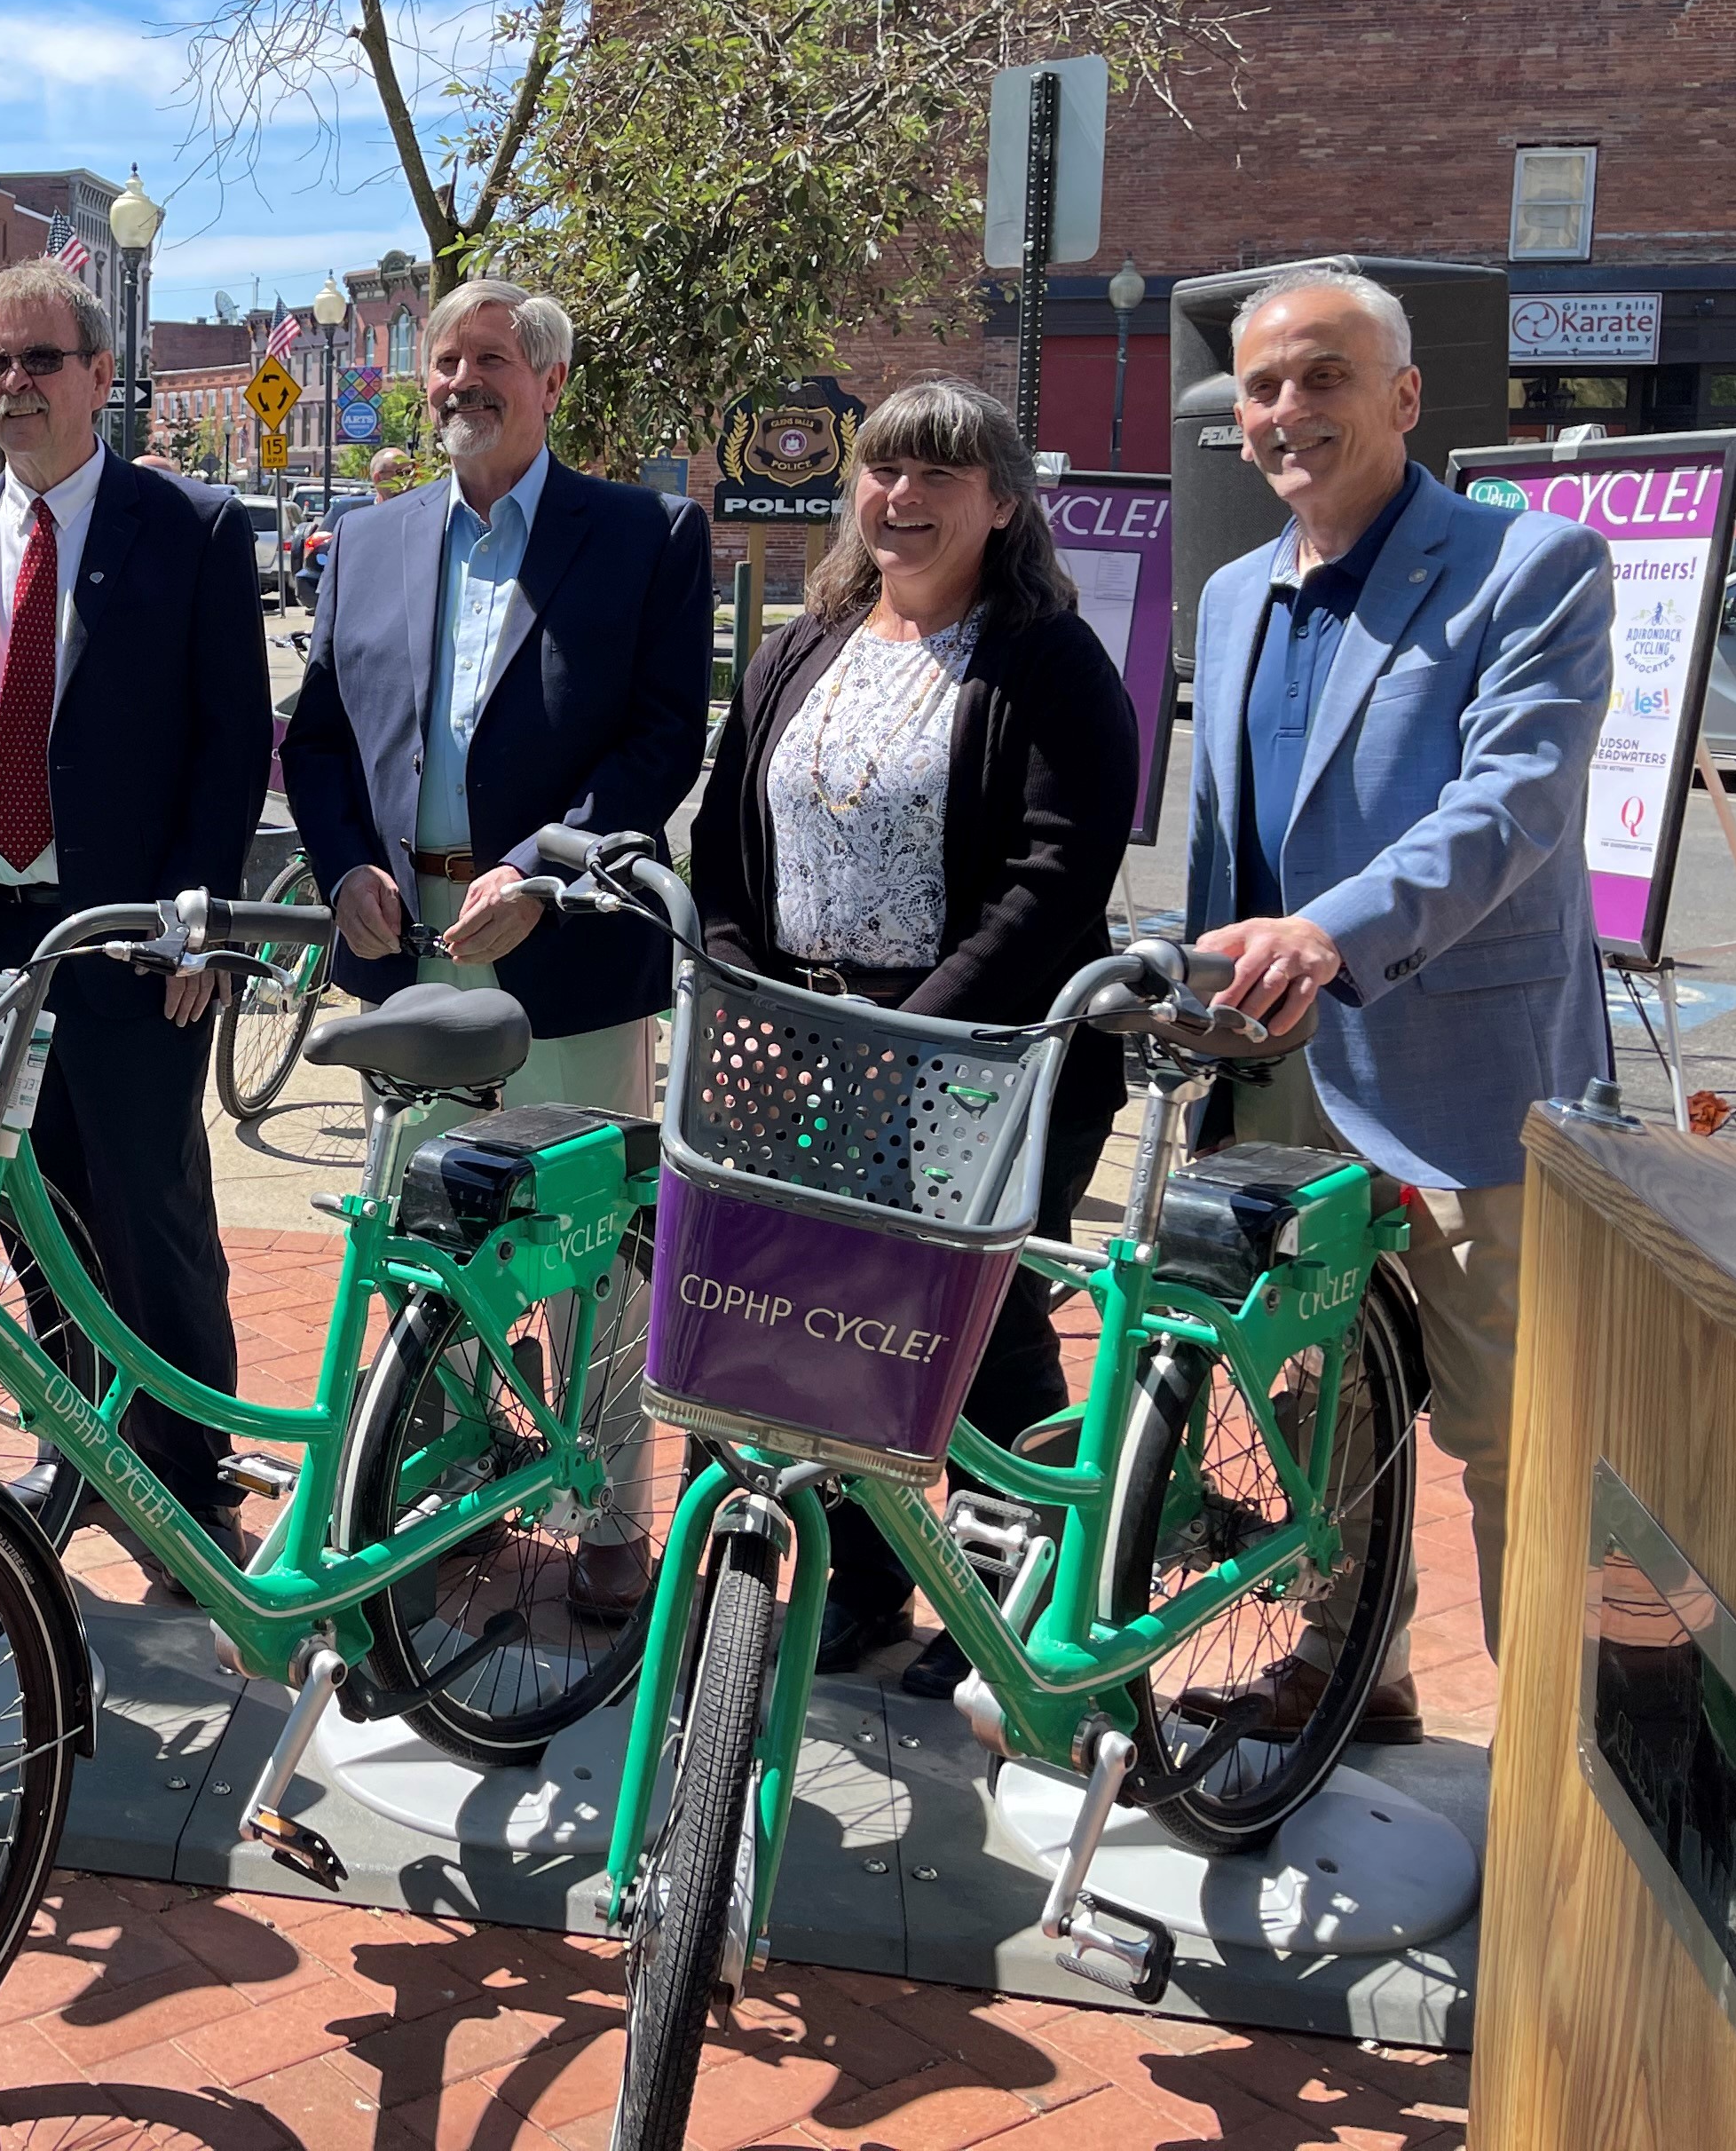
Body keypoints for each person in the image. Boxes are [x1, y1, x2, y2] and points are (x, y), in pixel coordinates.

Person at [1184, 259, 1613, 1738]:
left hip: (1467, 1073)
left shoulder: (1530, 566)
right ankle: (1349, 1655)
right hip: (1283, 1070)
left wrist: (1324, 932)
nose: (1288, 408)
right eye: (1261, 385)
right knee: (1326, 1386)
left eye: (1322, 375)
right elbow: (1223, 836)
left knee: (1505, 1425)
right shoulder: (1237, 590)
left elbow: (1513, 805)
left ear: (1403, 396)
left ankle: (1553, 1757)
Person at [690, 378, 1137, 1686]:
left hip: (984, 1052)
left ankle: (1006, 1602)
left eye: (940, 475)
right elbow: (725, 837)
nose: (903, 497)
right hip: (793, 1034)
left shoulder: (1048, 658)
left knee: (979, 1329)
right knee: (824, 1319)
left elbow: (1054, 882)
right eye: (883, 471)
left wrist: (910, 1040)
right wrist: (736, 987)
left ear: (1002, 504)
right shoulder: (807, 638)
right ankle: (865, 1580)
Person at [281, 280, 712, 1623]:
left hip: (566, 948)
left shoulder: (644, 535)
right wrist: (349, 855)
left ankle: (607, 1517)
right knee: (427, 1235)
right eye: (445, 363)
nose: (459, 381)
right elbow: (321, 736)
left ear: (550, 384)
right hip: (409, 947)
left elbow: (660, 738)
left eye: (490, 362)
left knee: (591, 1246)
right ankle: (444, 1475)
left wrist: (543, 868)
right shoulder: (365, 539)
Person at [0, 258, 275, 1568]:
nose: (12, 386)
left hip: (129, 939)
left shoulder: (196, 529)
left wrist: (204, 925)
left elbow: (232, 744)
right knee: (27, 1201)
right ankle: (79, 1432)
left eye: (38, 361)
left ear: (103, 377)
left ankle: (182, 1465)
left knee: (148, 1200)